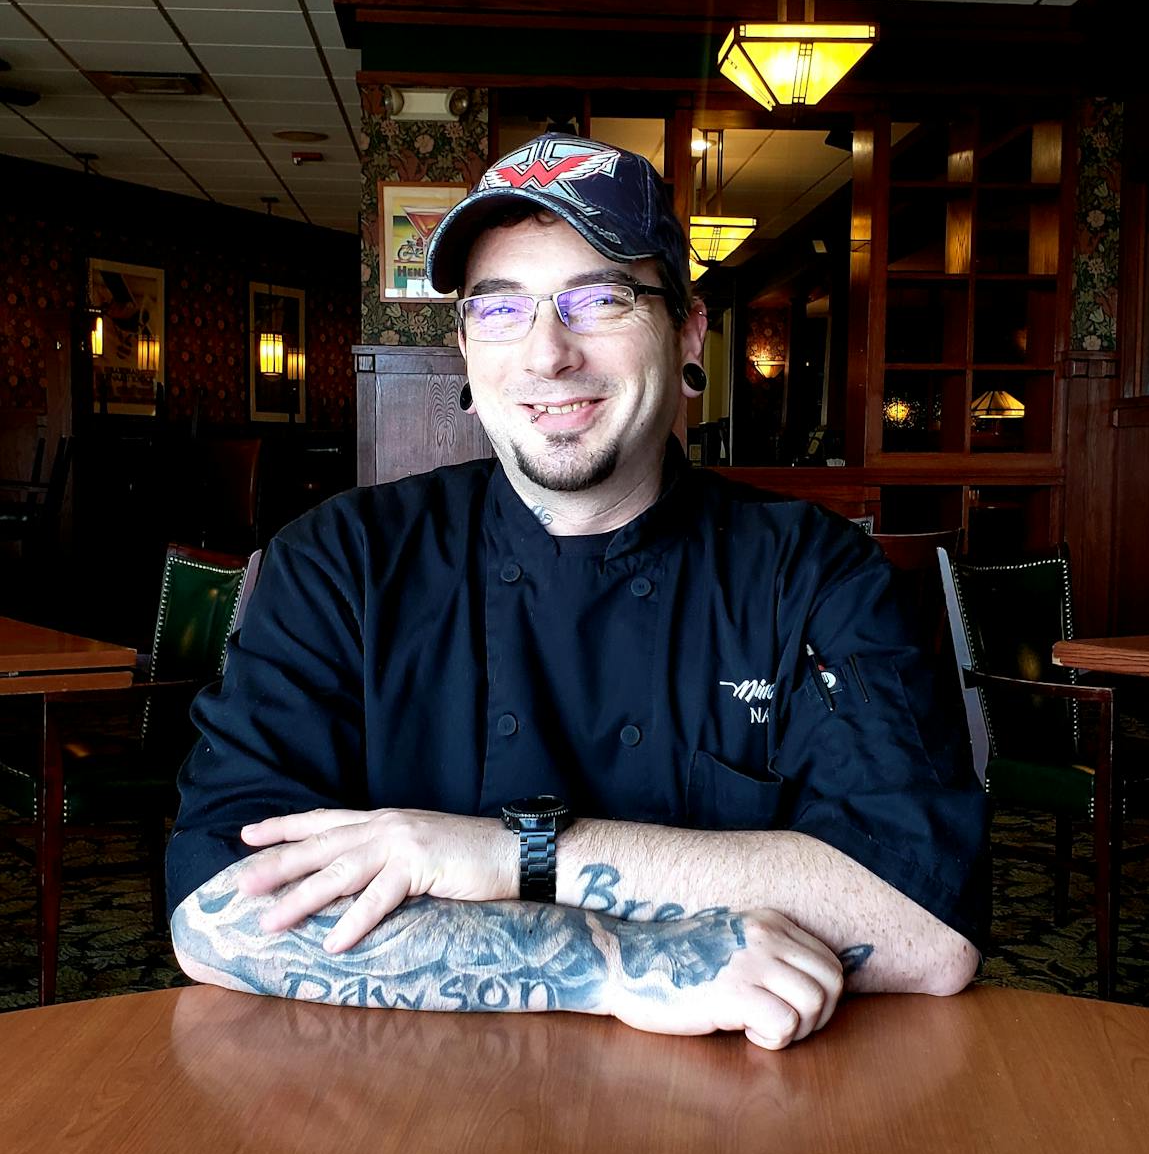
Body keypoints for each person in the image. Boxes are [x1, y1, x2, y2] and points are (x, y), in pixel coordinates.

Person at [168, 133, 988, 1050]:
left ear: (686, 332)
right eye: (501, 309)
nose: (548, 354)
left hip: (741, 1129)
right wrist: (613, 963)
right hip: (409, 1123)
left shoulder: (816, 573)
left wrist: (507, 854)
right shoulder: (338, 563)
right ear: (467, 352)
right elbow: (216, 910)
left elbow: (927, 921)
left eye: (599, 299)